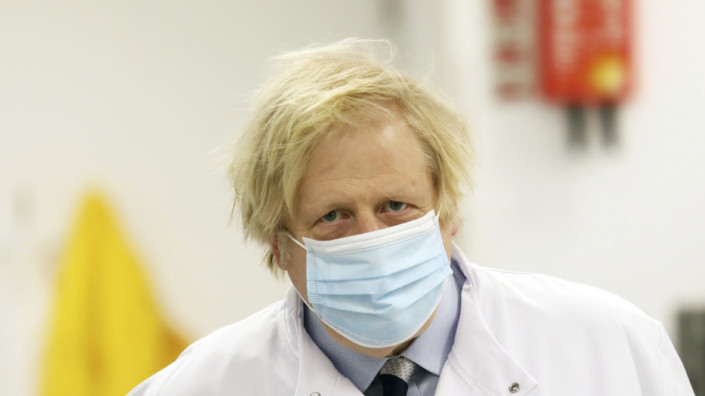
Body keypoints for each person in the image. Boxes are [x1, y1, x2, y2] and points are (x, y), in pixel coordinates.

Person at [129, 39, 694, 396]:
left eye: (396, 206)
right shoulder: (200, 386)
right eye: (332, 217)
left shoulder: (611, 348)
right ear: (279, 248)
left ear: (448, 216)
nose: (372, 238)